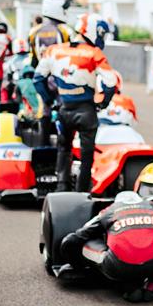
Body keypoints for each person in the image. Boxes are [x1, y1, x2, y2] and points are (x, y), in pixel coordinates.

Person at [60, 190, 153, 302]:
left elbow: (75, 238)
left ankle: (127, 287)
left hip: (119, 267)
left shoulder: (108, 211)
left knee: (87, 242)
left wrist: (73, 262)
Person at [34, 13, 116, 193]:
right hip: (86, 110)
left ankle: (60, 188)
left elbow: (38, 80)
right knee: (87, 156)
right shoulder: (94, 53)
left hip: (63, 108)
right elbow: (111, 82)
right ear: (94, 31)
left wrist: (51, 101)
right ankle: (82, 192)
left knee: (63, 148)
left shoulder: (54, 50)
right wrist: (103, 103)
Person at [29, 0, 74, 66]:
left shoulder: (34, 31)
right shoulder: (66, 30)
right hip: (61, 73)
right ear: (56, 9)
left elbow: (33, 59)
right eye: (64, 9)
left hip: (40, 72)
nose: (65, 12)